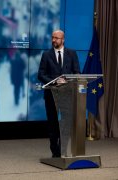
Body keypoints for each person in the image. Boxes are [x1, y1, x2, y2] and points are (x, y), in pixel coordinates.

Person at [37, 30, 80, 158]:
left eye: (57, 38)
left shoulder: (72, 53)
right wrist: (54, 81)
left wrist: (67, 80)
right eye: (52, 37)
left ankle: (63, 150)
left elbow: (77, 72)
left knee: (66, 124)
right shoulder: (46, 55)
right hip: (51, 95)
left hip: (67, 94)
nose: (54, 40)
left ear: (63, 40)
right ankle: (55, 152)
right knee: (53, 124)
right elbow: (41, 74)